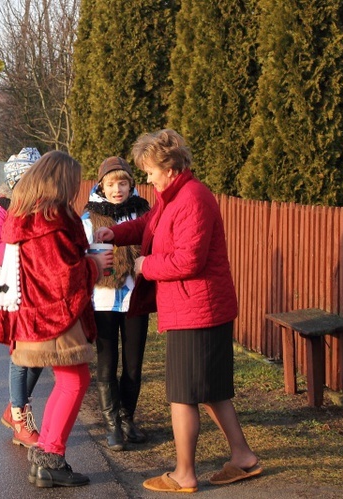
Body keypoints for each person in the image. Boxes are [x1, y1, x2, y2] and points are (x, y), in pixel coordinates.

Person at [95, 130, 261, 493]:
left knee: (182, 395)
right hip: (197, 306)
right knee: (212, 390)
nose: (147, 178)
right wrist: (116, 234)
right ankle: (243, 457)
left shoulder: (193, 199)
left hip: (197, 309)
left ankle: (184, 474)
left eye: (150, 170)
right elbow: (149, 226)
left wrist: (145, 266)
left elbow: (188, 260)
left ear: (169, 168)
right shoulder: (173, 197)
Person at [0, 151, 112, 488]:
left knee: (70, 381)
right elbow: (60, 276)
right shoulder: (50, 219)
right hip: (54, 317)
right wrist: (95, 266)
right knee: (75, 381)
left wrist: (87, 252)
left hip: (36, 315)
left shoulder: (29, 215)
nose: (76, 188)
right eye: (73, 182)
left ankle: (47, 455)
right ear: (61, 182)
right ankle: (50, 458)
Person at [81, 157, 151, 451]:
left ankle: (127, 419)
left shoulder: (144, 213)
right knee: (107, 365)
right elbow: (79, 256)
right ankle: (112, 426)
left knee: (133, 366)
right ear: (101, 186)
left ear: (131, 184)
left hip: (136, 298)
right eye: (111, 184)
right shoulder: (89, 218)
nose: (117, 189)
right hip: (104, 300)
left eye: (123, 183)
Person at [0, 147, 43, 448]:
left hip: (40, 295)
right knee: (21, 356)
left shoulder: (43, 210)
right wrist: (21, 251)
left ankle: (14, 407)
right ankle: (20, 417)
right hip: (16, 296)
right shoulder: (3, 212)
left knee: (39, 355)